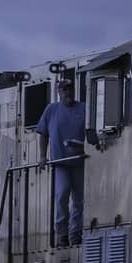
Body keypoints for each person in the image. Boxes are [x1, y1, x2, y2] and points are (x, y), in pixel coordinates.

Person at [35, 80, 87, 247]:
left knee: (79, 200)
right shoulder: (51, 110)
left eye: (71, 88)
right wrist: (42, 156)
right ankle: (62, 233)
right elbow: (43, 133)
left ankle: (75, 233)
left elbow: (91, 132)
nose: (68, 92)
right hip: (60, 163)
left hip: (80, 161)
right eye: (65, 89)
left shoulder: (83, 108)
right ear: (59, 91)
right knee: (62, 194)